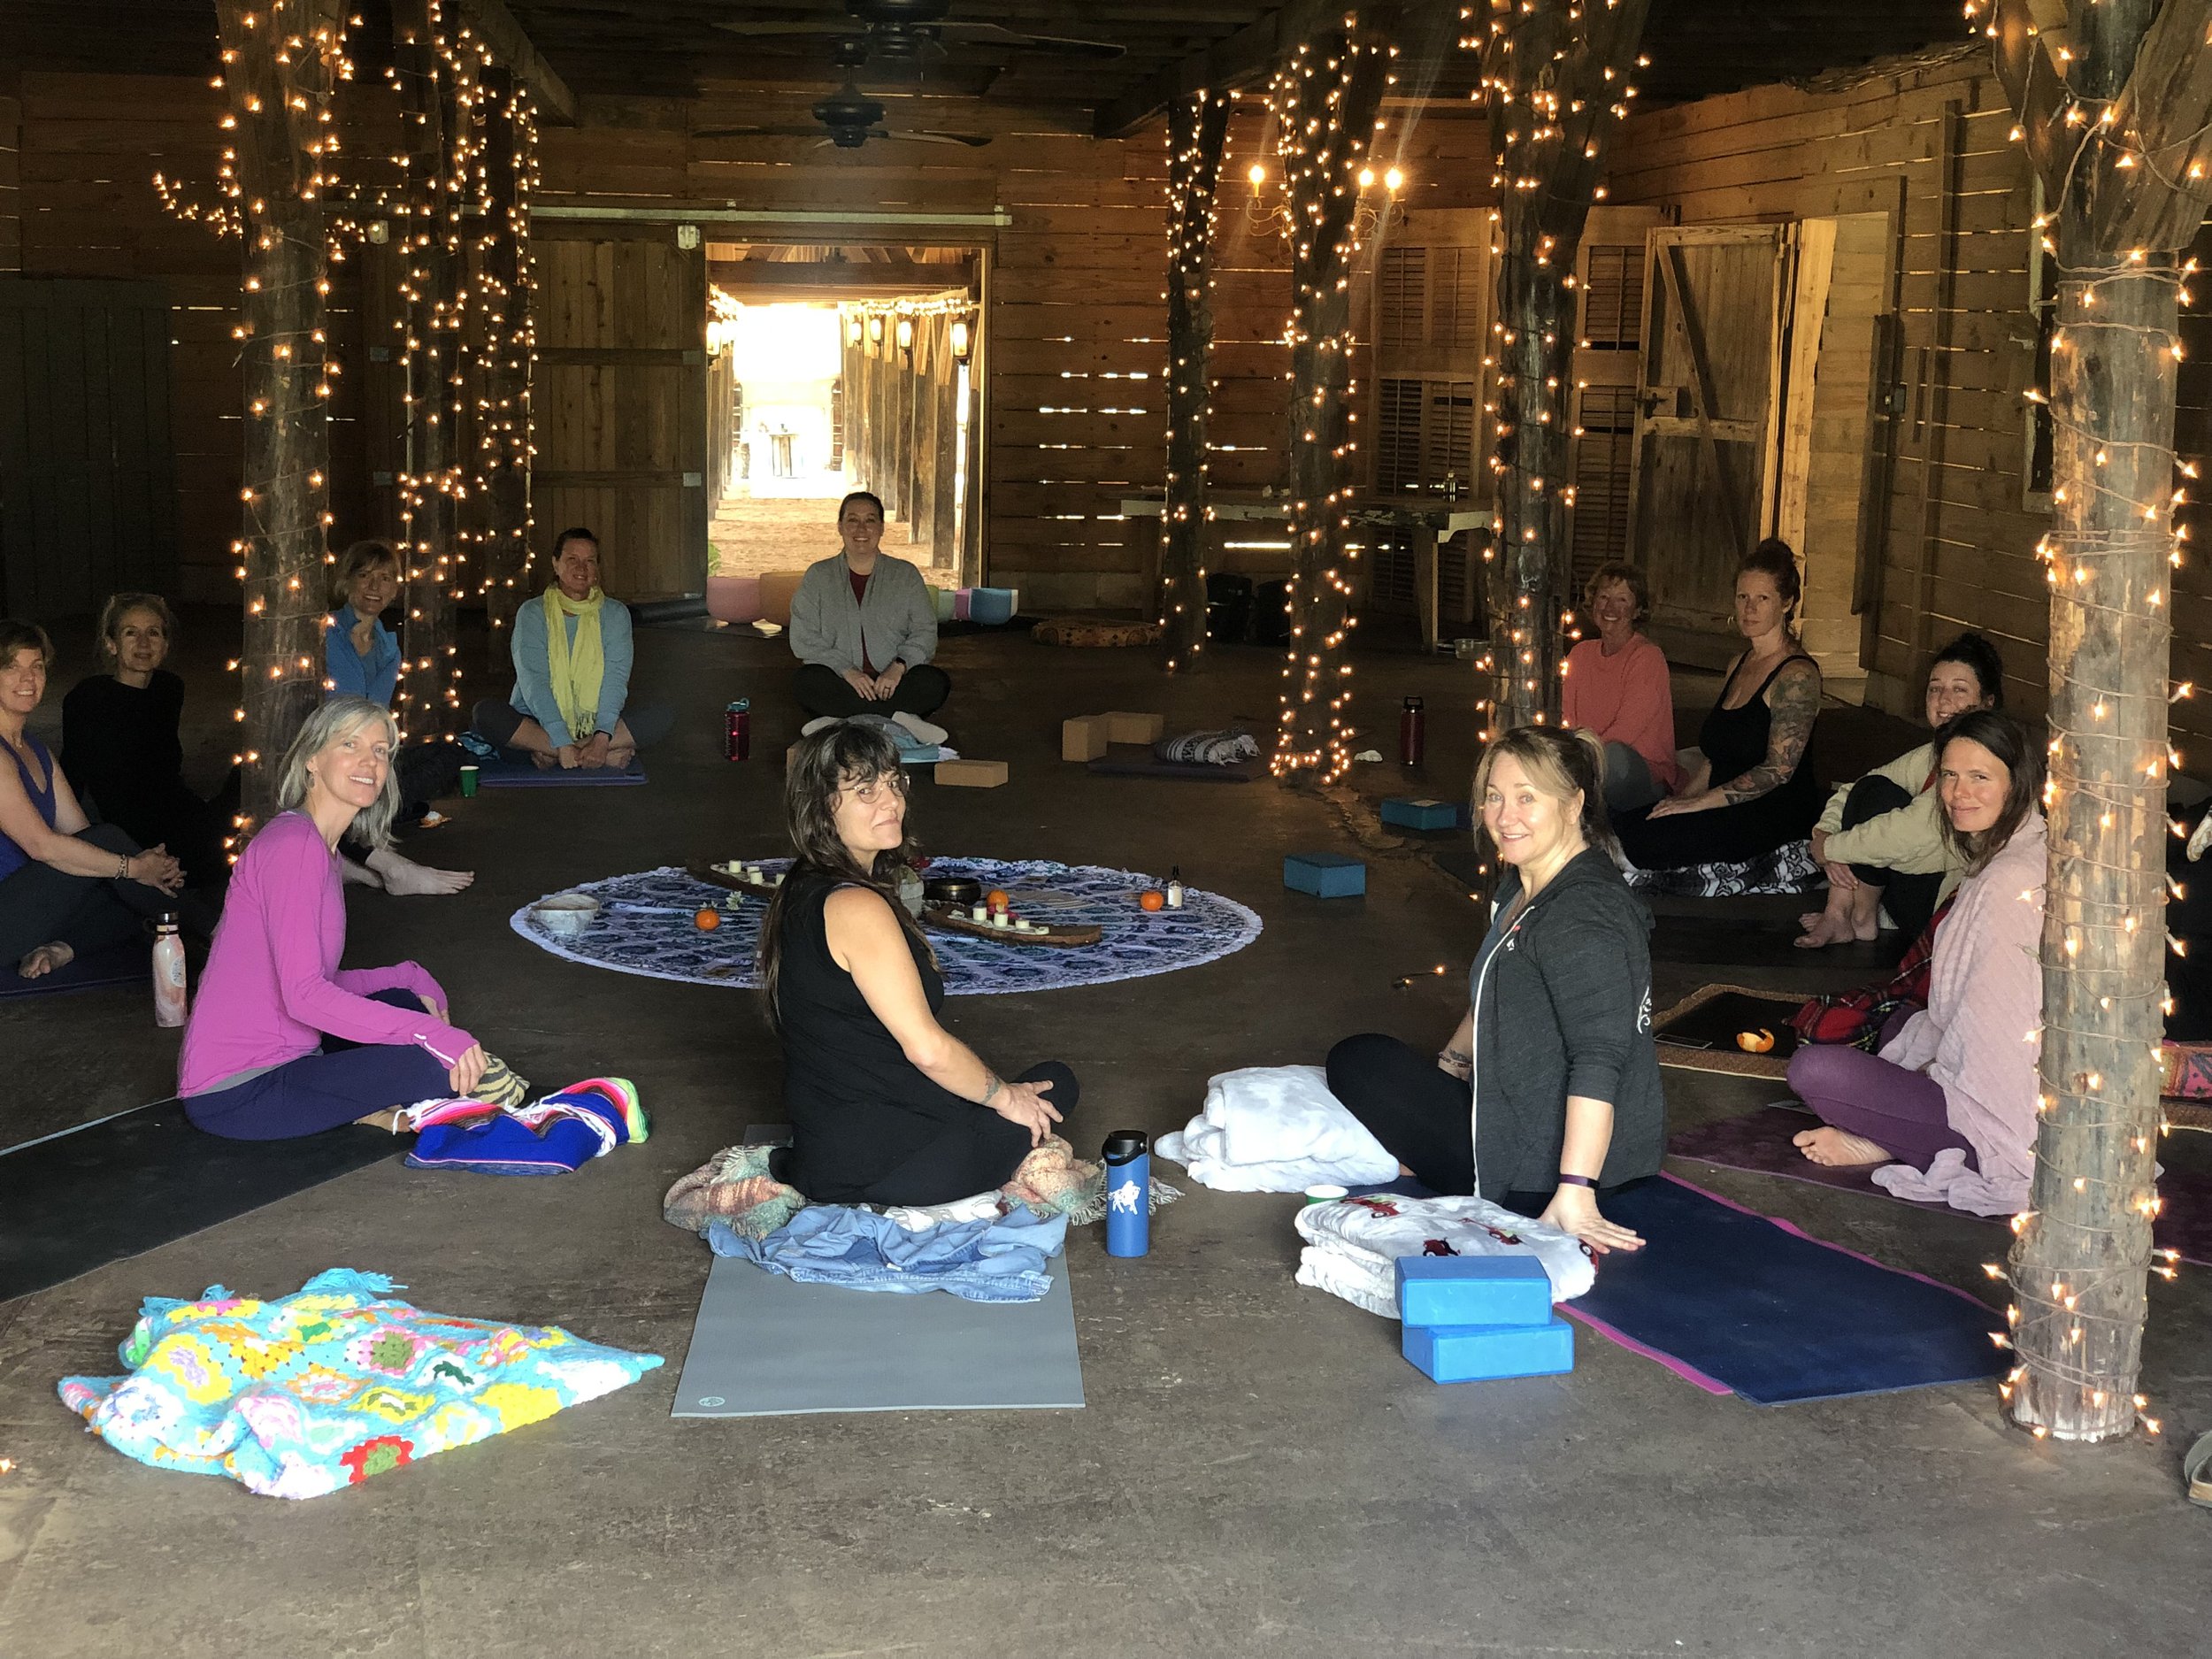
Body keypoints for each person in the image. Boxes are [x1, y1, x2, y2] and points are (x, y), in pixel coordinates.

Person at [1325, 726, 1665, 1253]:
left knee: (1358, 1061)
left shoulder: (1582, 915)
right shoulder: (1523, 879)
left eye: (1528, 798)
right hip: (1515, 1107)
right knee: (1381, 1060)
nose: (1506, 817)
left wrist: (1575, 1191)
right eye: (1494, 796)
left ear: (1574, 804)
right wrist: (1452, 1066)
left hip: (1539, 1165)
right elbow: (1495, 986)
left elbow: (1600, 1058)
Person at [180, 696, 524, 1140]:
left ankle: (359, 1102)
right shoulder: (294, 849)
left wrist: (406, 975)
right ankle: (363, 1106)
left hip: (292, 1056)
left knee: (402, 999)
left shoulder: (318, 847)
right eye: (350, 745)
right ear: (311, 760)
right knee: (434, 1062)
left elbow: (310, 978)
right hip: (241, 1092)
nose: (369, 761)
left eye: (380, 750)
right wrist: (429, 1036)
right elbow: (303, 996)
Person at [758, 721, 1073, 1207]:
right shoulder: (855, 907)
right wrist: (1005, 1098)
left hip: (827, 1152)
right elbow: (927, 1051)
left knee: (1013, 1087)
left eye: (893, 782)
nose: (892, 802)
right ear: (822, 807)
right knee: (1057, 1082)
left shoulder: (801, 886)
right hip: (890, 1169)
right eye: (866, 790)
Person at [1784, 711, 2046, 1213]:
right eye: (1949, 775)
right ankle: (1898, 1124)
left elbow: (1996, 1046)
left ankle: (1898, 1142)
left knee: (1813, 1068)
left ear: (2018, 783)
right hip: (1992, 1064)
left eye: (1980, 777)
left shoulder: (2007, 883)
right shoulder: (2016, 844)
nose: (1958, 792)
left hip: (2001, 1114)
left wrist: (1929, 1073)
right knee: (1895, 1023)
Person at [1614, 539, 1823, 872]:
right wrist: (1682, 800)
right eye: (1743, 597)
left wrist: (1700, 803)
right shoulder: (1738, 664)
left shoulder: (1797, 675)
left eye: (1762, 598)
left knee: (1644, 843)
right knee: (1626, 823)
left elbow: (1778, 771)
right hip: (1719, 800)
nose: (1749, 609)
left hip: (1769, 809)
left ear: (1786, 603)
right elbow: (1716, 756)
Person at [0, 619, 193, 979]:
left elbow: (83, 833)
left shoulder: (37, 751)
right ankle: (219, 930)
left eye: (36, 667)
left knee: (125, 892)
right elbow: (43, 846)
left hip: (34, 909)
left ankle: (59, 949)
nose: (27, 680)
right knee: (123, 870)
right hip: (7, 914)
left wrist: (148, 869)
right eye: (12, 667)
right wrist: (137, 868)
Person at [1795, 633, 2004, 949]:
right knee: (1875, 790)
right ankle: (1840, 914)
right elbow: (1858, 787)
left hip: (1948, 911)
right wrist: (1823, 832)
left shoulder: (1985, 760)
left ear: (1987, 703)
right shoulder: (1933, 752)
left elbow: (1908, 834)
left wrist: (1830, 850)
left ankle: (1856, 914)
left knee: (1879, 820)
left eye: (1959, 690)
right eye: (1935, 688)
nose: (1943, 700)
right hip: (1917, 889)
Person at [319, 542, 473, 897]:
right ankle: (386, 863)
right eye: (364, 576)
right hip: (328, 753)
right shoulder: (325, 633)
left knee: (452, 753)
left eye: (385, 578)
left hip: (373, 754)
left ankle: (346, 850)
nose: (374, 587)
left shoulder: (388, 646)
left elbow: (379, 715)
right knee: (354, 778)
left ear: (395, 588)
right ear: (346, 581)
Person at [59, 593, 234, 890]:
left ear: (165, 645)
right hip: (128, 826)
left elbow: (164, 770)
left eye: (153, 633)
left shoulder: (169, 688)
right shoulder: (89, 698)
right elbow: (72, 770)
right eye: (131, 633)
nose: (143, 643)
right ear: (111, 644)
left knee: (245, 792)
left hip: (176, 810)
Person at [471, 527, 673, 770]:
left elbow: (615, 679)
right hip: (538, 722)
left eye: (590, 561)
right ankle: (591, 755)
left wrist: (600, 738)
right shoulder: (533, 612)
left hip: (597, 725)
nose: (582, 568)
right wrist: (561, 739)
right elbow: (534, 680)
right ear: (556, 564)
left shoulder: (615, 613)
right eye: (572, 560)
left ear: (597, 569)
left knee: (662, 714)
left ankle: (559, 754)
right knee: (485, 714)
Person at [789, 491, 951, 731]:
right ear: (840, 526)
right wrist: (848, 671)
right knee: (806, 681)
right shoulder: (818, 576)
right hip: (842, 681)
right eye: (853, 520)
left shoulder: (905, 574)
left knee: (934, 681)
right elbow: (804, 638)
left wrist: (898, 667)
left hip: (894, 685)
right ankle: (899, 719)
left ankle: (840, 720)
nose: (861, 529)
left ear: (882, 528)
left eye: (870, 520)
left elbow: (925, 631)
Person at [1562, 561, 1678, 814]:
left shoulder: (1647, 657)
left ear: (1637, 610)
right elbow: (1567, 718)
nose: (1610, 607)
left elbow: (1628, 729)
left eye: (1622, 600)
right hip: (1586, 763)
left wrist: (1583, 761)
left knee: (1613, 757)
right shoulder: (1579, 654)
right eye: (1603, 597)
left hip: (1640, 771)